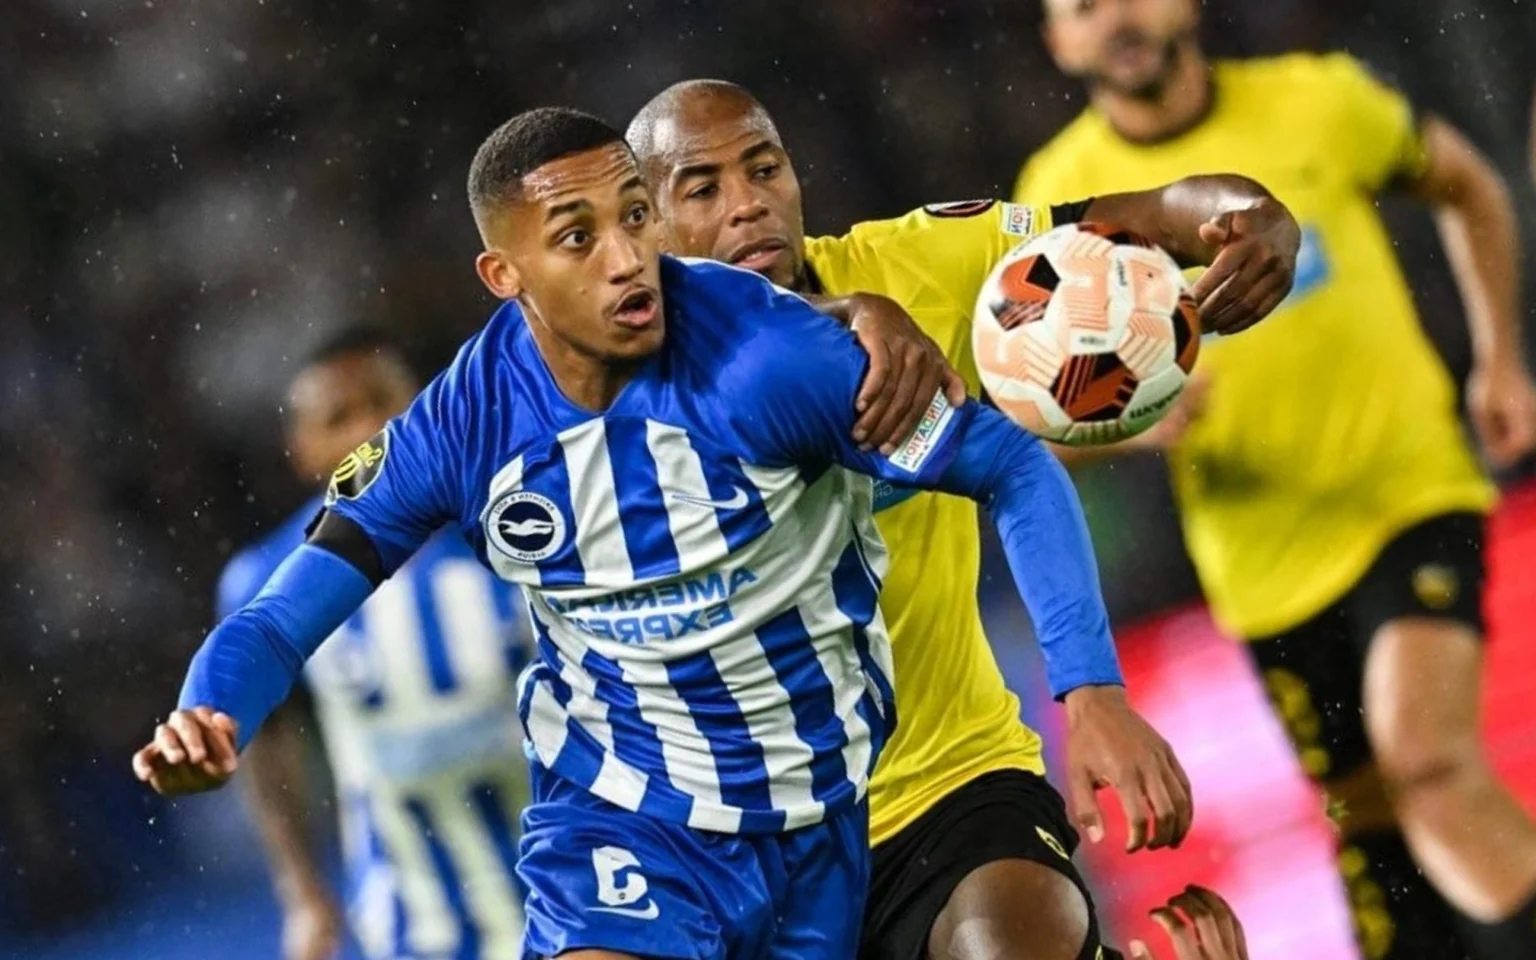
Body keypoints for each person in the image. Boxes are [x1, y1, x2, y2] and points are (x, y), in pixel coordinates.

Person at [133, 105, 1132, 960]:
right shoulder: (459, 428)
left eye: (635, 218)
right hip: (626, 820)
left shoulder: (769, 360)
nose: (625, 260)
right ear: (503, 271)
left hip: (813, 814)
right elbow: (275, 620)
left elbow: (1011, 467)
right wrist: (210, 709)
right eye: (576, 236)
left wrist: (1090, 691)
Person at [627, 78, 1298, 960]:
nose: (749, 205)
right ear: (645, 226)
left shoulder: (918, 263)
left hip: (957, 787)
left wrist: (1261, 221)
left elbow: (1164, 210)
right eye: (703, 189)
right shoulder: (606, 396)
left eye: (765, 169)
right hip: (749, 859)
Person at [1015, 2, 1536, 958]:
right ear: (1058, 42)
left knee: (1424, 759)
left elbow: (1467, 185)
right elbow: (1035, 427)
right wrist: (1124, 427)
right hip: (1260, 566)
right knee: (1377, 834)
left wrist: (1502, 357)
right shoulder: (1060, 196)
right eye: (1083, 7)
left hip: (1405, 491)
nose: (1117, 20)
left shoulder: (1318, 98)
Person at [218, 327, 535, 960]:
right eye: (340, 416)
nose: (371, 426)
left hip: (570, 896)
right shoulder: (269, 580)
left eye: (384, 400)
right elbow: (268, 737)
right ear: (303, 451)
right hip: (413, 928)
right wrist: (303, 892)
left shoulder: (518, 528)